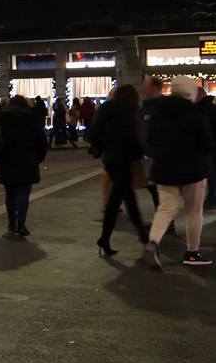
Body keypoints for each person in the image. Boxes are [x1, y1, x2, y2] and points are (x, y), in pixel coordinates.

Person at [143, 76, 213, 267]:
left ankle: (153, 242)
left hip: (164, 168)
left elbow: (151, 140)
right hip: (193, 170)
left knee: (165, 209)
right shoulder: (195, 113)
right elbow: (205, 144)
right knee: (193, 212)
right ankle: (192, 253)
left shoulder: (158, 112)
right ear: (190, 91)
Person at [89, 84, 147, 257]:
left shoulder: (105, 109)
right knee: (119, 201)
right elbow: (132, 137)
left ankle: (136, 235)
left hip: (111, 159)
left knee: (127, 198)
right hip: (125, 159)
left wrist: (98, 148)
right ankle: (107, 237)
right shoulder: (129, 111)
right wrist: (140, 154)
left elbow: (95, 132)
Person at [0, 95, 48, 236]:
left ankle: (11, 223)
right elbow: (42, 142)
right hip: (27, 162)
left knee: (10, 194)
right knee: (23, 194)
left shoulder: (3, 119)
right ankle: (21, 224)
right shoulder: (31, 119)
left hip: (6, 161)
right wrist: (37, 159)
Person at [194, 82, 216, 210]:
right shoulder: (208, 108)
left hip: (210, 147)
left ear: (200, 96)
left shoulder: (206, 110)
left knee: (211, 173)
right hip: (210, 146)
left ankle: (212, 198)